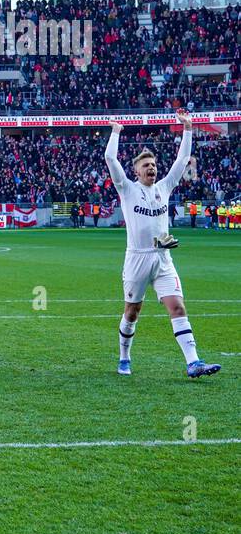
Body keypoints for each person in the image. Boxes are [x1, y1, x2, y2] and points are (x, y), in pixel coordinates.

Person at [105, 112, 221, 378]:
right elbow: (111, 159)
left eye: (153, 164)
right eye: (145, 165)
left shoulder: (164, 188)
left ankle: (193, 362)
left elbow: (182, 161)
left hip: (163, 259)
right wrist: (115, 132)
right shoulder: (127, 189)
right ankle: (124, 357)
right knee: (132, 312)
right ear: (136, 171)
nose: (151, 168)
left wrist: (188, 129)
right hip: (137, 259)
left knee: (177, 307)